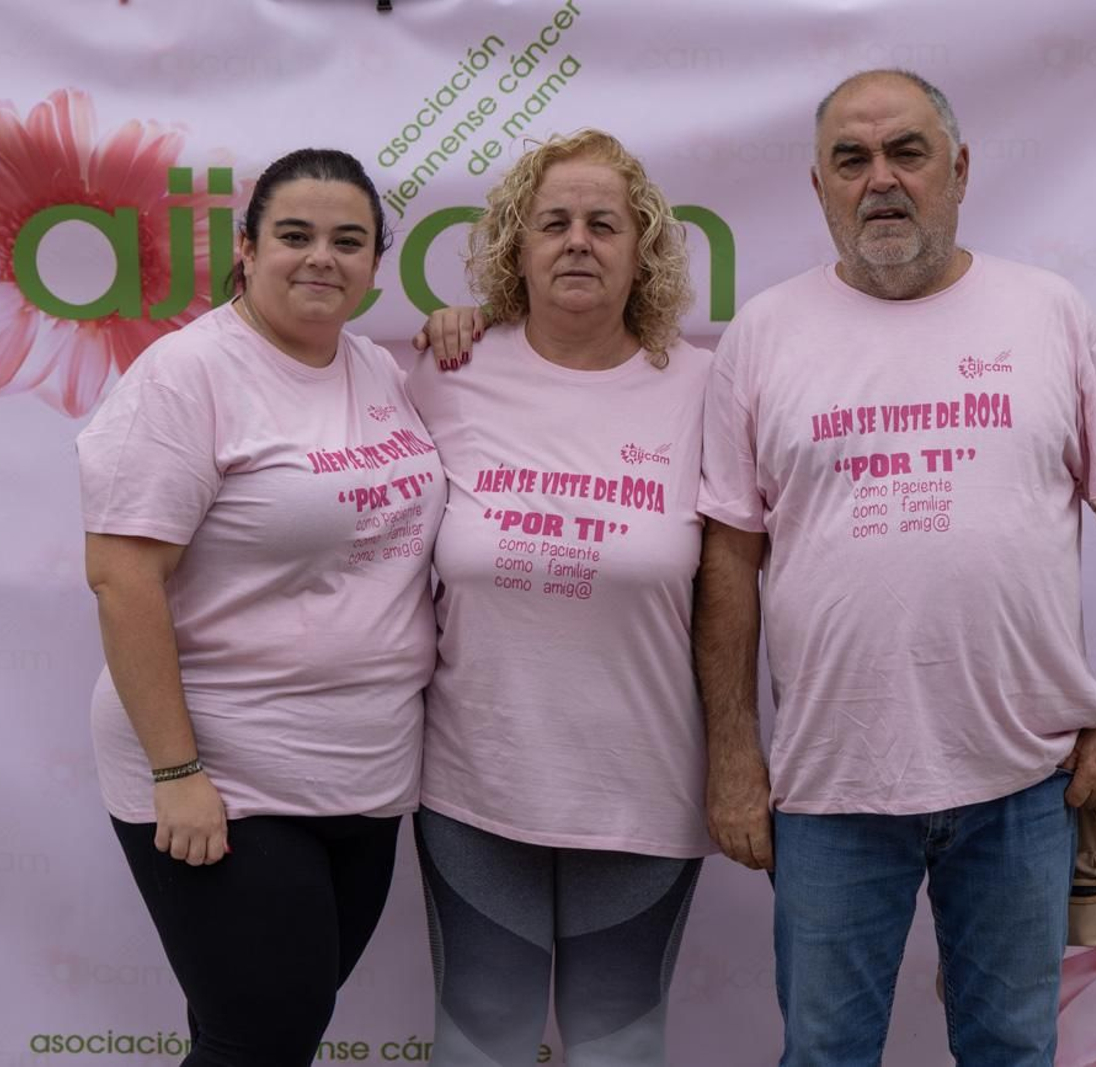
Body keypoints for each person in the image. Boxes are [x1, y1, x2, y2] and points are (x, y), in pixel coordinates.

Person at [696, 70, 1096, 1066]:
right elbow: (729, 561)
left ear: (956, 169)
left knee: (1008, 1049)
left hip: (1024, 779)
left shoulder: (1051, 313)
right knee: (825, 1052)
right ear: (819, 185)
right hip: (830, 785)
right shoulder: (762, 336)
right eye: (852, 159)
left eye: (906, 152)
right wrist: (736, 755)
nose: (881, 179)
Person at [76, 148, 445, 1067]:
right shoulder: (187, 377)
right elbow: (123, 577)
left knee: (261, 1032)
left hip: (363, 771)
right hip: (226, 774)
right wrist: (178, 772)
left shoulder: (375, 369)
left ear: (373, 265)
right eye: (295, 235)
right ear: (246, 249)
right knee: (262, 1037)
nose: (321, 257)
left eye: (348, 241)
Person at [404, 129, 713, 1067]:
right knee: (480, 1035)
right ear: (516, 247)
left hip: (644, 784)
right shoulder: (445, 373)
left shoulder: (708, 386)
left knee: (619, 1043)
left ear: (643, 250)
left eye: (604, 224)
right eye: (554, 223)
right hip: (474, 779)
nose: (578, 241)